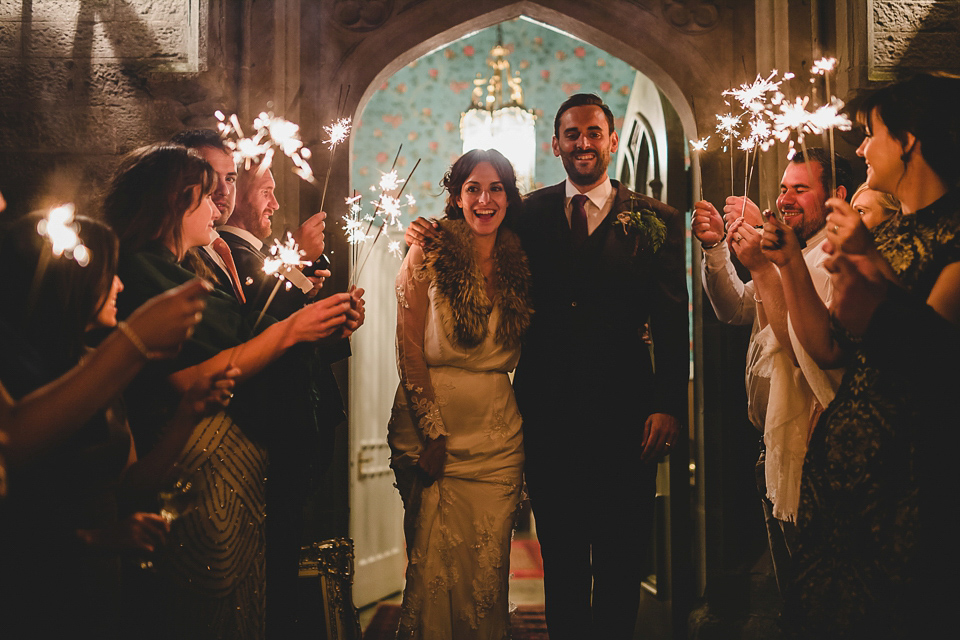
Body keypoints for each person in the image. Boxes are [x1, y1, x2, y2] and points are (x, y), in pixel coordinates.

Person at [407, 93, 687, 639]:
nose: (583, 143)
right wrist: (430, 233)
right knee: (560, 563)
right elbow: (474, 234)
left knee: (620, 561)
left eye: (593, 132)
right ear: (555, 143)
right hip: (547, 418)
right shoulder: (527, 213)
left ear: (611, 137)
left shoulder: (656, 220)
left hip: (629, 420)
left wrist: (668, 406)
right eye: (571, 134)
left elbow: (672, 322)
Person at [102, 143, 354, 639]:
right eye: (203, 196)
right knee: (208, 607)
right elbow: (192, 376)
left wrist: (315, 323)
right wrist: (295, 328)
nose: (217, 203)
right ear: (173, 205)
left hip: (236, 461)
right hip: (196, 458)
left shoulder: (189, 266)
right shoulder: (143, 269)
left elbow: (243, 330)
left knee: (244, 602)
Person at [760, 73, 960, 638]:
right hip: (848, 494)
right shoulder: (895, 235)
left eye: (871, 133)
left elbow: (934, 360)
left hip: (913, 486)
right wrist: (789, 265)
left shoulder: (951, 236)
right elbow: (828, 348)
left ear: (909, 139)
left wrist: (871, 274)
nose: (863, 147)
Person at [0, 211, 234, 638]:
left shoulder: (98, 367)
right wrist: (137, 340)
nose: (122, 286)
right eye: (110, 274)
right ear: (69, 280)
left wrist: (187, 416)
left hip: (105, 585)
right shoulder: (26, 379)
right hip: (42, 589)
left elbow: (129, 488)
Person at [692, 149, 854, 596]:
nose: (785, 198)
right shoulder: (796, 254)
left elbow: (804, 346)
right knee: (794, 590)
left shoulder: (830, 261)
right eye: (783, 188)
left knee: (815, 590)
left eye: (801, 189)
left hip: (811, 442)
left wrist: (764, 264)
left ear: (836, 195)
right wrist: (716, 248)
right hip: (773, 440)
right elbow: (733, 308)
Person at [389, 148, 531, 639]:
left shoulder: (525, 258)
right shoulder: (427, 249)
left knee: (487, 570)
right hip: (432, 435)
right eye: (473, 188)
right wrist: (433, 433)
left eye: (495, 189)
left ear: (510, 199)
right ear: (456, 196)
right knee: (431, 568)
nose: (484, 200)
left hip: (499, 442)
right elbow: (408, 346)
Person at [225, 161, 364, 639]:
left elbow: (292, 344)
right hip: (270, 434)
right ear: (232, 190)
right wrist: (294, 264)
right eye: (266, 190)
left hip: (300, 430)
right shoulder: (234, 258)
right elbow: (259, 335)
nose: (276, 203)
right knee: (270, 578)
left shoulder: (261, 258)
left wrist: (335, 327)